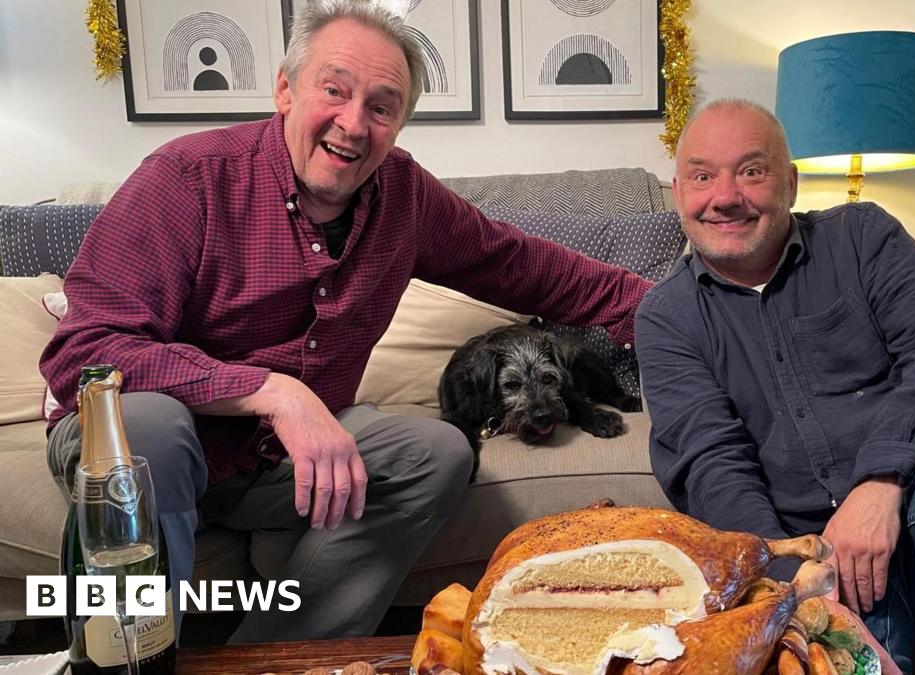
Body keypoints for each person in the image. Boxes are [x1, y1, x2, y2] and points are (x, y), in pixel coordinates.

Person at [40, 0, 650, 644]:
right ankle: (131, 655)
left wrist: (700, 317)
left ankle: (273, 659)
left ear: (400, 123)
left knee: (438, 452)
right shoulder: (185, 179)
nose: (353, 124)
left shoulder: (408, 199)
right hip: (154, 447)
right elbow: (86, 353)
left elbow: (538, 271)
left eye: (382, 106)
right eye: (334, 90)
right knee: (149, 422)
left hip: (277, 463)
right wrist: (274, 393)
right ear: (285, 89)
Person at [635, 99, 915, 674]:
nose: (725, 196)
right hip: (818, 572)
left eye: (752, 171)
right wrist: (795, 586)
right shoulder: (664, 315)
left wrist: (880, 481)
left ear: (789, 184)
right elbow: (710, 462)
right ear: (679, 192)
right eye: (702, 175)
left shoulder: (864, 237)